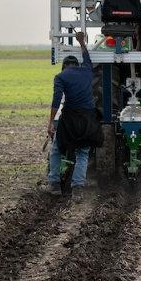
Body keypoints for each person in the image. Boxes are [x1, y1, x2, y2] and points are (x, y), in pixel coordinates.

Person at [46, 31, 99, 197]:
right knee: (82, 153)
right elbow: (88, 59)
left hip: (69, 119)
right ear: (77, 65)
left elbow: (56, 100)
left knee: (56, 149)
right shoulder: (86, 72)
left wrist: (50, 123)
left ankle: (54, 184)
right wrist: (82, 42)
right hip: (87, 119)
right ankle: (77, 189)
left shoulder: (60, 77)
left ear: (64, 67)